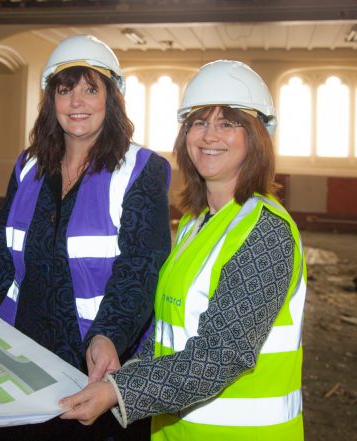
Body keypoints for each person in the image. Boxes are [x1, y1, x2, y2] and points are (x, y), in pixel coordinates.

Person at [0, 35, 171, 441]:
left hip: (95, 371)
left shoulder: (141, 169)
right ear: (51, 100)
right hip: (22, 366)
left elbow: (141, 267)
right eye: (65, 90)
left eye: (90, 89)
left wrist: (109, 334)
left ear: (112, 98)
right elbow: (2, 253)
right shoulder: (29, 165)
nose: (77, 102)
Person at [60, 59, 307, 441]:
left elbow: (223, 353)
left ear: (256, 136)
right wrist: (121, 373)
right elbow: (168, 334)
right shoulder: (195, 224)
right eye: (199, 122)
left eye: (227, 123)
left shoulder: (265, 229)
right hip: (178, 430)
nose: (209, 136)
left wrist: (118, 391)